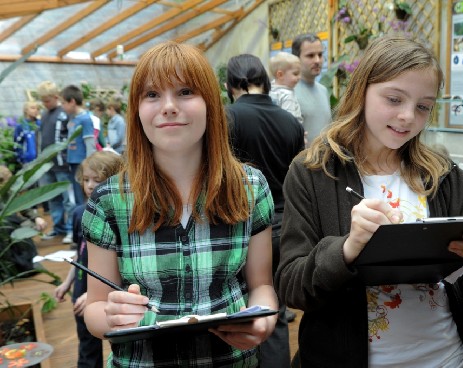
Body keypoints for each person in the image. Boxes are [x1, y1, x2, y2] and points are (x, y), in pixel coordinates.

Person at [275, 36, 463, 368]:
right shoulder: (313, 173)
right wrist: (347, 249)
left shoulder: (444, 176)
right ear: (361, 90)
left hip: (447, 358)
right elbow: (293, 287)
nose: (408, 116)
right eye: (394, 99)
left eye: (423, 106)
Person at [82, 41, 278, 367]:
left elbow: (262, 286)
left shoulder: (251, 188)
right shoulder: (108, 202)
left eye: (186, 91)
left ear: (211, 104)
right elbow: (94, 309)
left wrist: (263, 322)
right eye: (152, 94)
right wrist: (112, 315)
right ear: (137, 110)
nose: (169, 106)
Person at [226, 53, 305, 368]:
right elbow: (298, 176)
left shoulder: (228, 117)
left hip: (242, 226)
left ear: (231, 84)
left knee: (239, 310)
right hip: (285, 225)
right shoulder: (290, 121)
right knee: (274, 311)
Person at [54, 151, 124, 368]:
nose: (90, 185)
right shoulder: (78, 213)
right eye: (86, 179)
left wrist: (94, 295)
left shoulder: (118, 216)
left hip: (106, 292)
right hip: (81, 289)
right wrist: (68, 282)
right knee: (86, 347)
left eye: (98, 180)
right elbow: (80, 251)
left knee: (117, 343)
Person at [37, 81, 74, 244]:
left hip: (62, 164)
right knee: (53, 198)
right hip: (47, 164)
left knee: (68, 198)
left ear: (56, 97)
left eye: (47, 100)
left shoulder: (63, 113)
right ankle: (58, 227)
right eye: (42, 101)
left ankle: (71, 229)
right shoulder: (44, 115)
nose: (45, 104)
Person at [292, 33, 332, 144]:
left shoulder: (323, 90)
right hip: (300, 160)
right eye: (310, 56)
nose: (317, 60)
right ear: (296, 58)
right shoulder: (288, 92)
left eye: (320, 55)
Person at [61, 84, 97, 207]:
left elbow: (90, 143)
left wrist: (89, 165)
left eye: (63, 103)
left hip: (82, 164)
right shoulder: (73, 119)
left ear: (72, 102)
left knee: (83, 197)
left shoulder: (85, 119)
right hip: (73, 163)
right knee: (77, 196)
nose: (62, 106)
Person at [268, 51, 303, 124]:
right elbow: (289, 120)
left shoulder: (269, 91)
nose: (299, 77)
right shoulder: (287, 95)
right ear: (280, 75)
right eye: (295, 74)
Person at [14, 101, 41, 166]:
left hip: (42, 160)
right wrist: (22, 159)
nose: (36, 110)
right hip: (28, 162)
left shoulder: (41, 124)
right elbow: (17, 144)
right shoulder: (21, 126)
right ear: (26, 110)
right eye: (33, 108)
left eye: (37, 108)